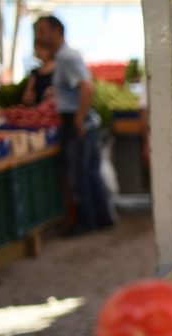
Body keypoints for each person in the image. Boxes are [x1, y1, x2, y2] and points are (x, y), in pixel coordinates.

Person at [33, 15, 113, 235]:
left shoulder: (67, 57)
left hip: (78, 122)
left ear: (57, 31)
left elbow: (87, 87)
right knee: (90, 172)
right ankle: (101, 218)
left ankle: (86, 222)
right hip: (82, 121)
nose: (38, 35)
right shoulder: (62, 57)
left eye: (42, 30)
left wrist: (78, 119)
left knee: (79, 174)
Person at [21, 40, 55, 106]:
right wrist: (28, 98)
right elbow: (27, 96)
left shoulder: (61, 70)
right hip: (39, 109)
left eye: (39, 48)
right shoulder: (35, 73)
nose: (36, 50)